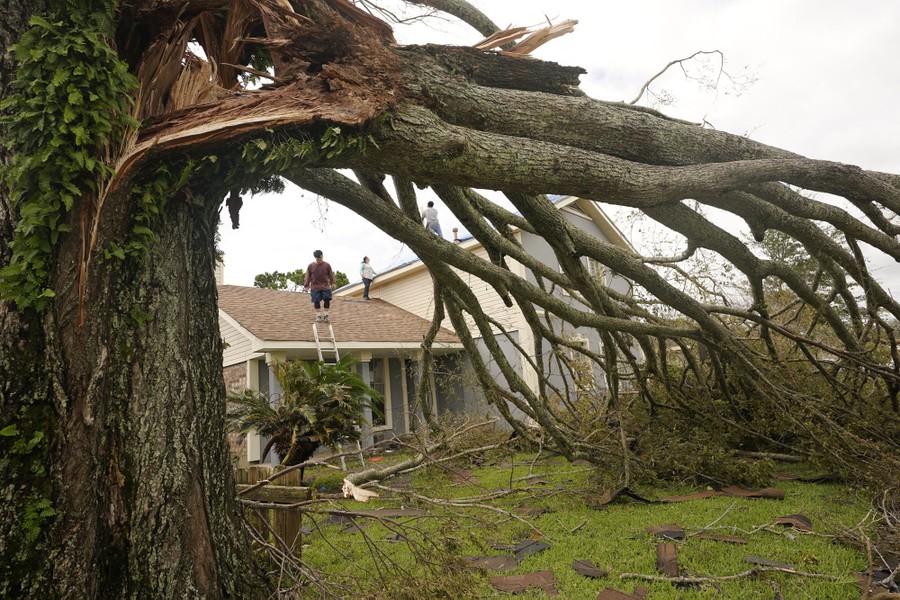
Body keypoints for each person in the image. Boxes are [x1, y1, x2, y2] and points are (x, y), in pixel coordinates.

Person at [303, 249, 336, 322]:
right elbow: (307, 276)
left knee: (327, 298)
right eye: (318, 258)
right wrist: (306, 285)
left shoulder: (327, 265)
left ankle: (326, 315)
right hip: (315, 287)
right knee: (316, 300)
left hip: (325, 286)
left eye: (320, 258)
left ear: (322, 256)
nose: (319, 259)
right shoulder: (311, 266)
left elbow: (331, 274)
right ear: (315, 258)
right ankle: (318, 315)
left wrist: (333, 282)